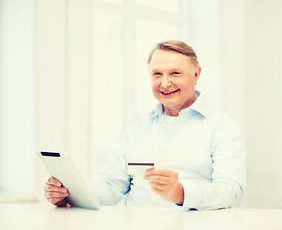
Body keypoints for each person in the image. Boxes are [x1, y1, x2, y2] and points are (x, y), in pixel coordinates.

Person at [44, 40, 246, 210]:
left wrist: (181, 193)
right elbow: (111, 185)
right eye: (157, 74)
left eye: (175, 73)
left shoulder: (223, 128)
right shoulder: (137, 129)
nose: (165, 83)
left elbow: (232, 192)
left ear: (196, 75)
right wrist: (68, 192)